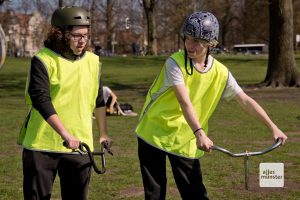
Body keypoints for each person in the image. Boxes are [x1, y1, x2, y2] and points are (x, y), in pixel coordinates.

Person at [135, 11, 287, 200]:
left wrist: (273, 127)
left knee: (196, 195)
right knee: (155, 195)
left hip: (185, 140)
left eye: (197, 41)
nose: (189, 45)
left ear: (211, 43)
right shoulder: (174, 63)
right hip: (154, 133)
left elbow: (245, 101)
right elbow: (185, 101)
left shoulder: (221, 73)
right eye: (187, 38)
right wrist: (200, 133)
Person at [18, 6, 112, 200]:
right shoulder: (43, 60)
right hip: (42, 145)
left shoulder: (93, 61)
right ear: (60, 34)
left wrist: (103, 134)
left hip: (80, 145)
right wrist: (65, 134)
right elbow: (41, 99)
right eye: (77, 35)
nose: (82, 40)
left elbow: (99, 99)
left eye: (85, 35)